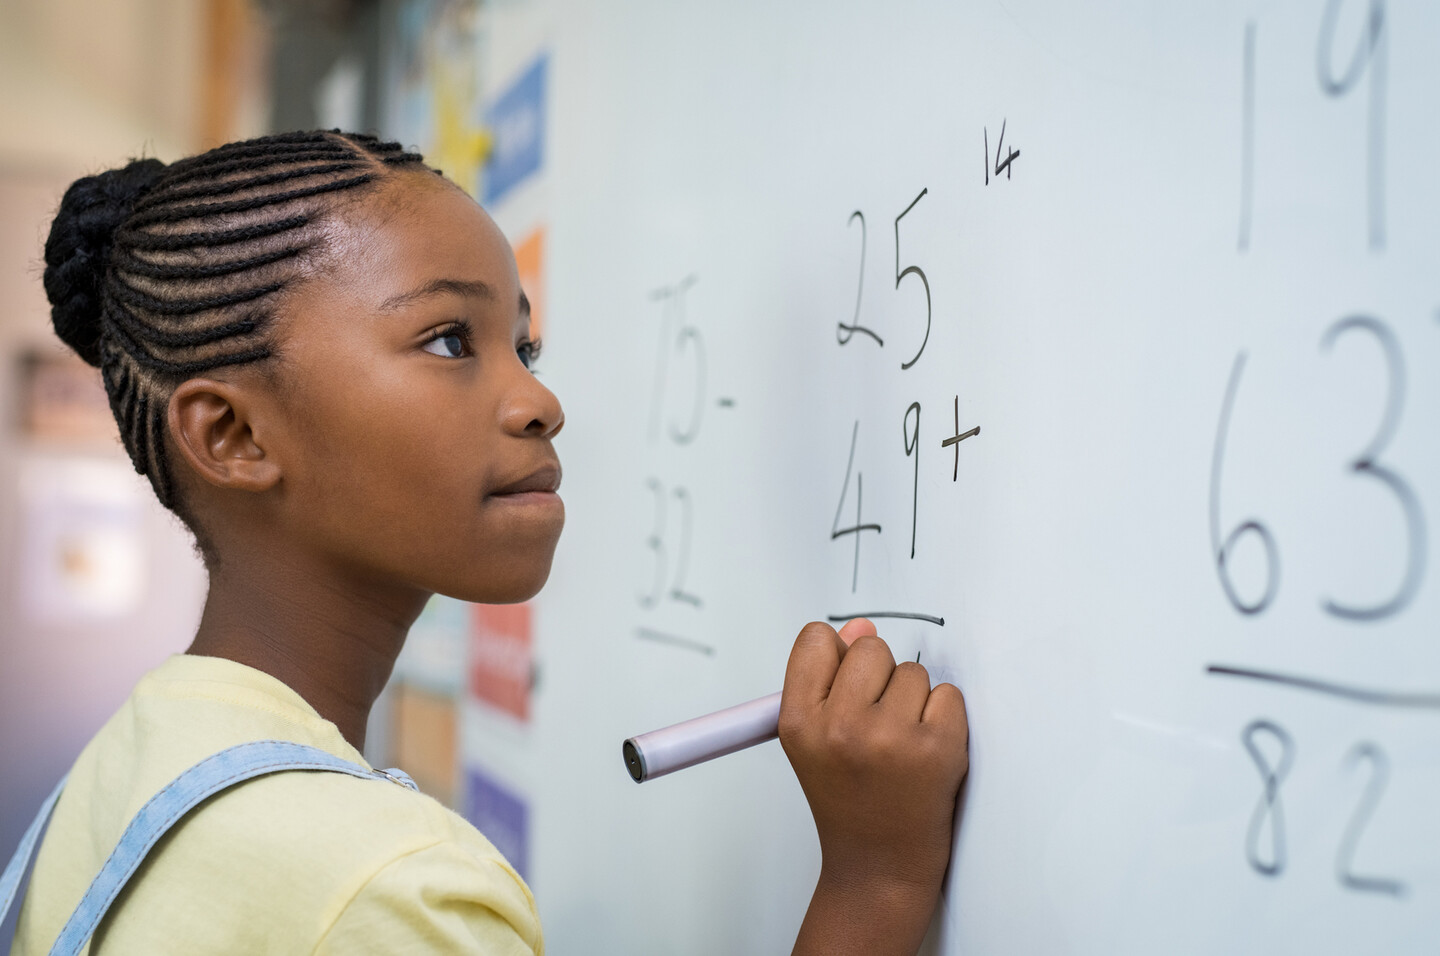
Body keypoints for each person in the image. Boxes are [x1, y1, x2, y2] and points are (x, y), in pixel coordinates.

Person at [8, 130, 969, 955]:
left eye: (526, 348)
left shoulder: (129, 766)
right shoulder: (384, 891)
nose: (540, 402)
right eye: (448, 343)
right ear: (234, 437)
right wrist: (873, 886)